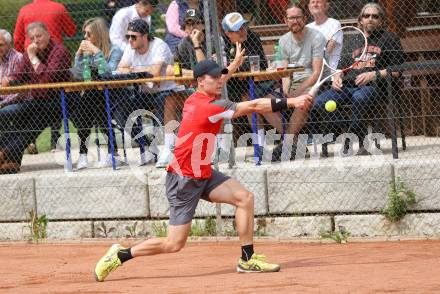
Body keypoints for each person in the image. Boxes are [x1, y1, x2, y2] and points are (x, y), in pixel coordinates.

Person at [94, 51, 314, 282]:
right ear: (201, 81)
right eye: (214, 77)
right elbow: (254, 105)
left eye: (220, 77)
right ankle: (120, 254)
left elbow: (219, 82)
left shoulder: (195, 97)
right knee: (174, 243)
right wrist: (292, 101)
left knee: (244, 198)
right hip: (184, 179)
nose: (219, 80)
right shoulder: (209, 107)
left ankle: (247, 259)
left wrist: (232, 67)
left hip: (202, 172)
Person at [312, 2, 404, 155]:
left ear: (381, 20)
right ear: (360, 20)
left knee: (359, 97)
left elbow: (398, 70)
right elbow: (340, 68)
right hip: (348, 86)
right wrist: (337, 77)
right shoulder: (353, 41)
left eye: (375, 16)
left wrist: (373, 74)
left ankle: (351, 137)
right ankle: (355, 132)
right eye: (366, 16)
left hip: (376, 87)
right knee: (319, 102)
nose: (370, 19)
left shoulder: (390, 38)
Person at [0, 22, 71, 173]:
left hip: (60, 100)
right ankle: (11, 163)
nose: (36, 41)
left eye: (39, 36)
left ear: (48, 34)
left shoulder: (60, 51)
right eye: (32, 38)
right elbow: (20, 74)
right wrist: (10, 79)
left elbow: (48, 79)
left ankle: (5, 153)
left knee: (31, 127)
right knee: (5, 115)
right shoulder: (29, 54)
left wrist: (33, 57)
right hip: (37, 100)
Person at [115, 19, 178, 165]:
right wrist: (143, 72)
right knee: (121, 112)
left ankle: (168, 150)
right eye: (127, 37)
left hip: (166, 90)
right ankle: (148, 148)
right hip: (144, 92)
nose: (130, 40)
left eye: (133, 37)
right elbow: (121, 69)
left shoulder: (158, 45)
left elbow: (155, 73)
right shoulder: (130, 48)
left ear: (145, 36)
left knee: (165, 101)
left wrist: (133, 71)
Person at [222, 12, 281, 161]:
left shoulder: (252, 37)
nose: (243, 31)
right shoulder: (220, 42)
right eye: (238, 29)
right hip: (228, 86)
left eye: (244, 26)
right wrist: (237, 65)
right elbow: (220, 69)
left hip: (254, 83)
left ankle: (286, 141)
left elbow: (260, 65)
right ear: (227, 33)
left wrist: (236, 65)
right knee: (222, 101)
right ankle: (223, 149)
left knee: (254, 98)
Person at [270, 3, 326, 161]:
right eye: (291, 18)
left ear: (304, 18)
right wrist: (286, 91)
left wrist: (295, 93)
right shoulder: (283, 41)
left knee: (303, 100)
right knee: (265, 102)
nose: (295, 21)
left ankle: (286, 143)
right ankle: (293, 142)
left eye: (298, 17)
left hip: (312, 84)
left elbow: (316, 73)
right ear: (285, 20)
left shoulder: (316, 37)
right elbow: (284, 73)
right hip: (292, 85)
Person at [155, 8, 208, 168]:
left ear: (203, 25)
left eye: (195, 23)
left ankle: (216, 146)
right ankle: (169, 147)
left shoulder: (213, 41)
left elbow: (206, 69)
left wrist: (197, 45)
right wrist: (193, 73)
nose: (191, 28)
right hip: (191, 89)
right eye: (187, 25)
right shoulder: (183, 43)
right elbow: (172, 69)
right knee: (170, 99)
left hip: (212, 91)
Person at [71, 17, 123, 170]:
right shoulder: (87, 52)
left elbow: (108, 73)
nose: (85, 38)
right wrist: (78, 55)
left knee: (88, 103)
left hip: (114, 92)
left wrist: (97, 52)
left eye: (89, 34)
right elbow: (78, 74)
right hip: (94, 95)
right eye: (84, 34)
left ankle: (83, 155)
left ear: (99, 34)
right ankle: (111, 154)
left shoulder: (115, 50)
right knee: (93, 105)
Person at [307, 0, 342, 70]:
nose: (315, 4)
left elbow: (328, 51)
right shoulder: (307, 27)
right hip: (312, 71)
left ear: (326, 6)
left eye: (318, 2)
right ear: (309, 7)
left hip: (330, 71)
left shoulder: (334, 24)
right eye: (313, 2)